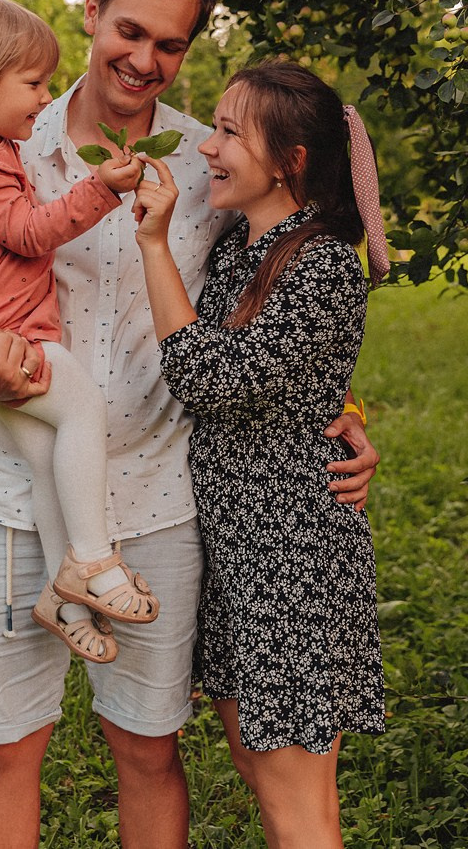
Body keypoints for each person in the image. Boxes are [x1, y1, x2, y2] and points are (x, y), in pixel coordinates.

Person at [0, 0, 380, 849]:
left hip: (157, 504)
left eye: (169, 45)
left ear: (187, 51)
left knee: (146, 752)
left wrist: (340, 419)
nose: (143, 59)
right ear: (91, 14)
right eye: (129, 31)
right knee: (7, 754)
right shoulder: (3, 142)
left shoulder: (212, 167)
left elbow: (275, 294)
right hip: (6, 495)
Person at [132, 59, 387, 848]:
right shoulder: (247, 249)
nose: (207, 147)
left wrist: (151, 245)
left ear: (290, 160)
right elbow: (302, 379)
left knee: (295, 803)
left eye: (229, 132)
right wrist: (348, 411)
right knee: (259, 770)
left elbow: (211, 379)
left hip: (290, 566)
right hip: (243, 559)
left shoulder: (319, 265)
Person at [0, 0, 159, 666]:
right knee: (80, 408)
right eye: (32, 84)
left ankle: (64, 599)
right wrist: (102, 189)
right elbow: (27, 233)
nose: (43, 96)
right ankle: (94, 561)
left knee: (48, 454)